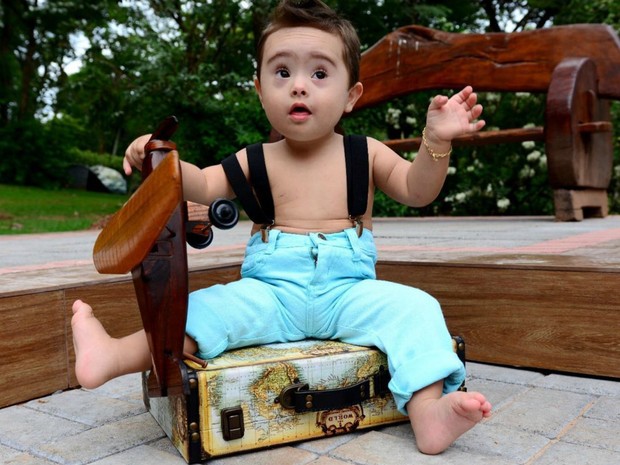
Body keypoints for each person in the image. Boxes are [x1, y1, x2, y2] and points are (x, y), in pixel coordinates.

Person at [71, 0, 491, 455]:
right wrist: (161, 158)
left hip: (348, 293)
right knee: (200, 312)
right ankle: (112, 356)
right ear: (259, 89)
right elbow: (200, 183)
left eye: (320, 74)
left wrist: (436, 142)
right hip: (270, 294)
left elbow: (416, 190)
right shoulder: (255, 159)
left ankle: (428, 413)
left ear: (352, 95)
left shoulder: (364, 153)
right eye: (282, 73)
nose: (299, 88)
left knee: (417, 310)